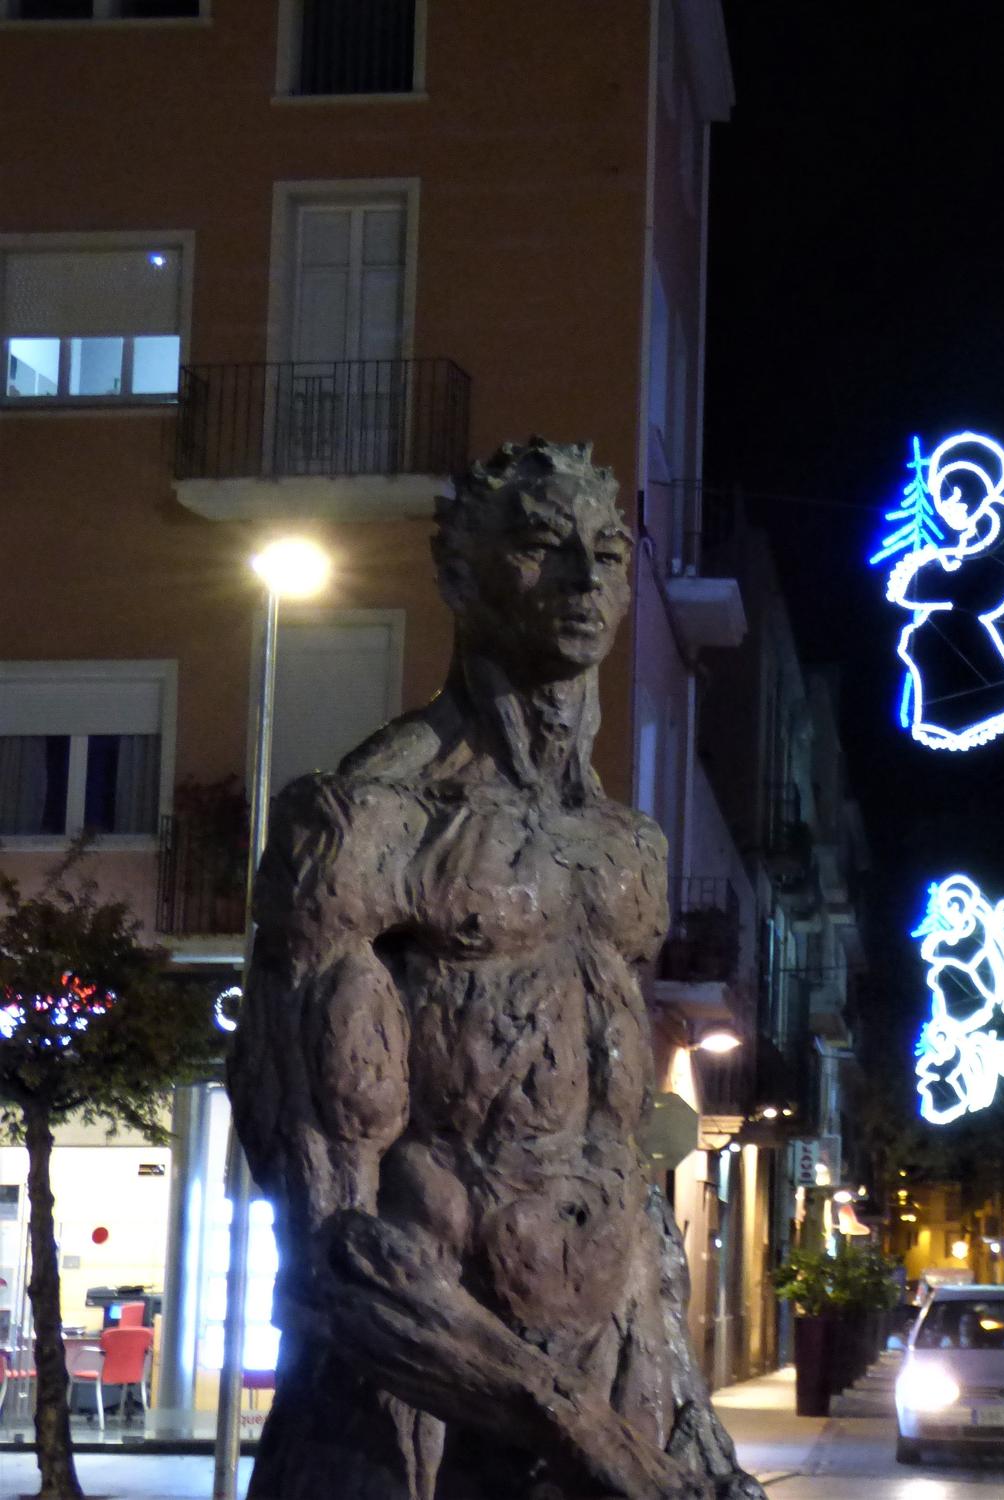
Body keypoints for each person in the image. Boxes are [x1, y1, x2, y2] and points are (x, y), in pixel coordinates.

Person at [228, 440, 762, 1500]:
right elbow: (338, 1252)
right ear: (461, 574)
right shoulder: (364, 828)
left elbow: (632, 1193)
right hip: (410, 1417)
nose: (583, 582)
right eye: (538, 548)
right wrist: (588, 1442)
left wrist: (689, 1445)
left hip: (613, 1370)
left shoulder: (624, 849)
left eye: (606, 556)